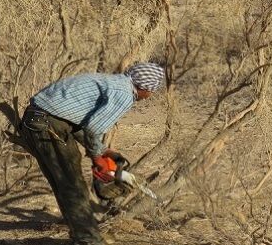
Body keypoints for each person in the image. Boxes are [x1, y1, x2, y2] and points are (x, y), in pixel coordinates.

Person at [19, 62, 166, 245]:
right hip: (46, 123)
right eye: (152, 91)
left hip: (38, 119)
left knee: (64, 183)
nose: (149, 96)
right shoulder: (125, 93)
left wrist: (104, 151)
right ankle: (89, 240)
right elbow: (93, 129)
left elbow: (76, 120)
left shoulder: (113, 82)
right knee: (72, 185)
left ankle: (81, 234)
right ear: (144, 86)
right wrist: (97, 158)